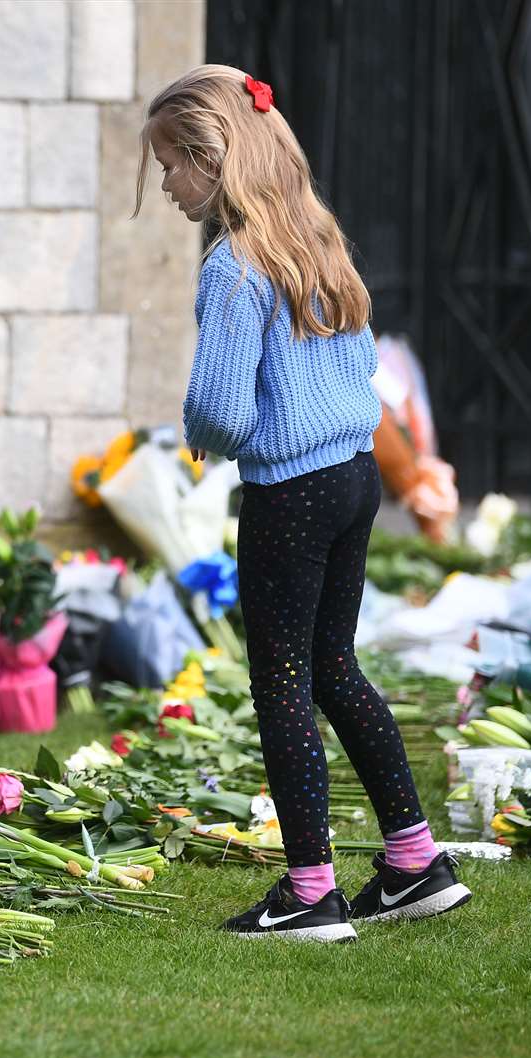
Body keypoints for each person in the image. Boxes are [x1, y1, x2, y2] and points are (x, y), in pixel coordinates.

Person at [136, 65, 470, 941]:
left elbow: (217, 406)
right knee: (332, 668)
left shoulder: (234, 267)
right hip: (355, 478)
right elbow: (361, 369)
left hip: (288, 492)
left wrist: (208, 435)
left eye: (171, 163)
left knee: (280, 679)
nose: (167, 184)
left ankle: (310, 889)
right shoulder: (317, 239)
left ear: (213, 161)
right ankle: (411, 862)